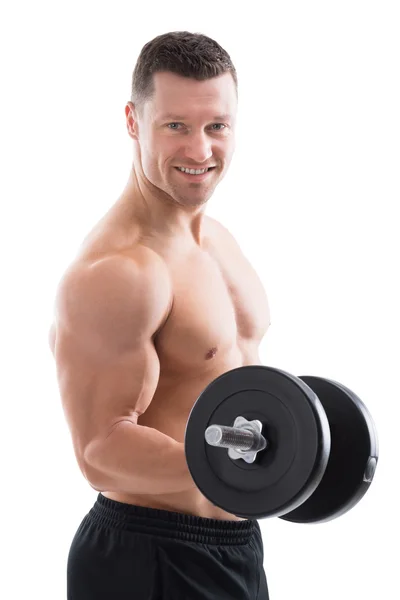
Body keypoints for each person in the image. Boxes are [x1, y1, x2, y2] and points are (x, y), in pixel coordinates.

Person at [50, 31, 271, 599]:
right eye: (176, 126)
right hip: (148, 554)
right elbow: (99, 450)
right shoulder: (120, 271)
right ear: (132, 120)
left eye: (216, 126)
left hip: (235, 543)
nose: (200, 151)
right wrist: (252, 469)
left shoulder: (218, 242)